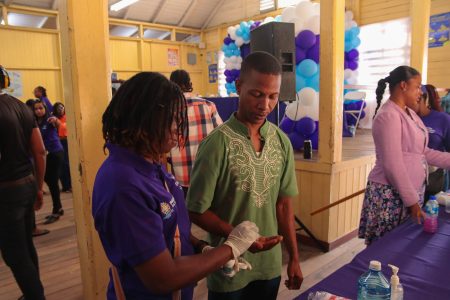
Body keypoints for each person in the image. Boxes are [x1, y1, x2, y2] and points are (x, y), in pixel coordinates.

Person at [92, 71, 260, 300]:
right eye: (172, 119)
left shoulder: (152, 164)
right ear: (143, 118)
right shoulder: (124, 186)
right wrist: (230, 248)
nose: (178, 128)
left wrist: (203, 249)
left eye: (180, 119)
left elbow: (171, 230)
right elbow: (163, 278)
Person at [186, 52, 303, 299]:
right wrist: (239, 239)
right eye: (257, 94)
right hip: (228, 265)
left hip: (269, 266)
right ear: (239, 87)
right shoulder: (216, 144)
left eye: (273, 96)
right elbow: (196, 209)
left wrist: (293, 257)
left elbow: (283, 206)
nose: (265, 105)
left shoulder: (281, 142)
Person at [358, 66, 450, 246]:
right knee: (385, 248)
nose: (420, 92)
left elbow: (422, 153)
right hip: (389, 195)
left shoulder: (409, 114)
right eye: (417, 86)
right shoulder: (388, 116)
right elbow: (392, 164)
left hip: (406, 193)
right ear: (403, 86)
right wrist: (413, 203)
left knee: (400, 247)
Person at [0, 65, 46, 299]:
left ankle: (35, 295)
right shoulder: (21, 106)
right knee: (26, 245)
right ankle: (33, 292)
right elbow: (40, 152)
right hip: (27, 184)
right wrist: (38, 187)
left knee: (14, 254)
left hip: (6, 193)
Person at [169, 69, 223, 197]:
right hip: (207, 171)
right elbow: (221, 134)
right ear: (190, 84)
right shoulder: (208, 105)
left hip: (181, 174)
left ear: (170, 85)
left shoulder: (168, 109)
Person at [33, 99, 65, 224]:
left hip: (55, 153)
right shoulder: (36, 122)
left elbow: (58, 124)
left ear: (45, 108)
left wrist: (56, 121)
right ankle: (58, 207)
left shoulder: (50, 119)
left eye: (41, 108)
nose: (39, 111)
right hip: (45, 155)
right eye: (36, 109)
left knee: (52, 181)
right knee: (49, 181)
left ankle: (57, 209)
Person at [416, 84, 450, 197]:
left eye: (418, 100)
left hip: (434, 176)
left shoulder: (443, 119)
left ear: (424, 99)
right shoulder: (407, 119)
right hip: (411, 175)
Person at [53, 102, 72, 193]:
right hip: (59, 143)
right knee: (62, 165)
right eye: (58, 108)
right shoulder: (54, 119)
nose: (61, 109)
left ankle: (70, 185)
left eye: (62, 107)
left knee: (69, 164)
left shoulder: (68, 117)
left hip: (68, 142)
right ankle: (66, 186)